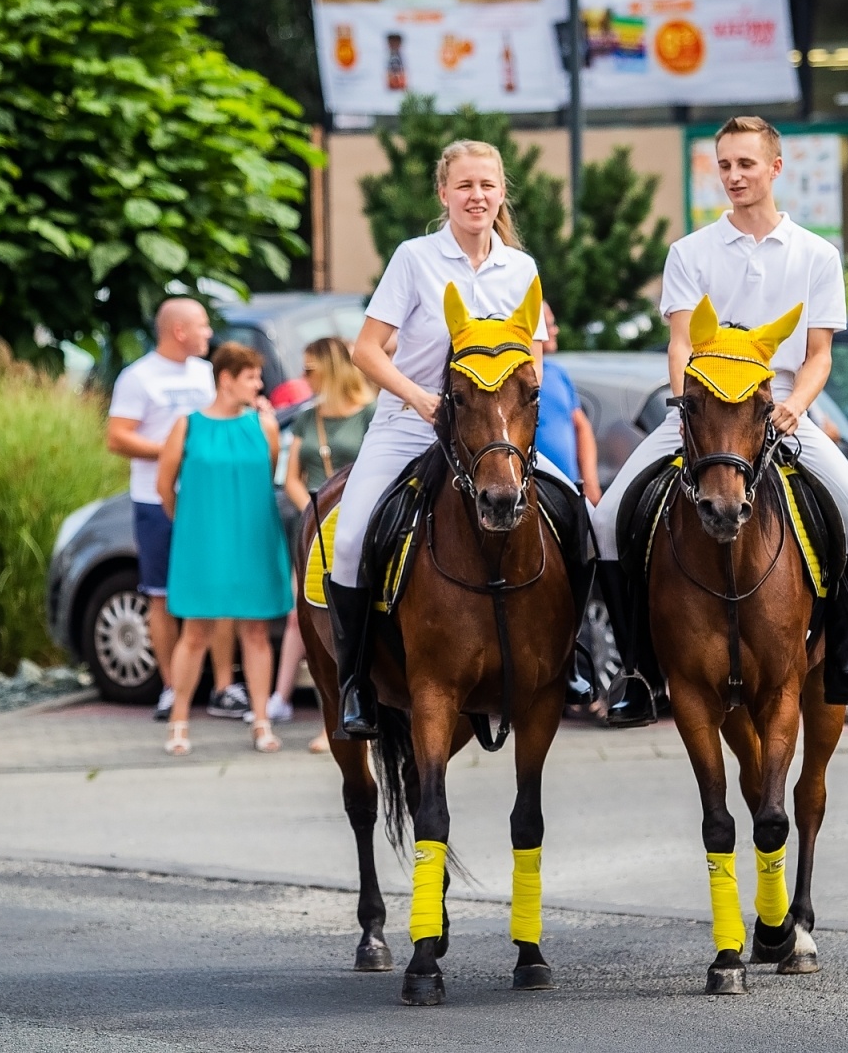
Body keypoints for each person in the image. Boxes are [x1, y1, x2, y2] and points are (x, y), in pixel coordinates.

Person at [593, 115, 848, 726]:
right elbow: (681, 342)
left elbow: (819, 356)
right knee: (607, 519)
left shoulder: (817, 254)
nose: (734, 176)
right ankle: (636, 671)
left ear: (774, 169)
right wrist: (693, 406)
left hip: (780, 407)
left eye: (746, 164)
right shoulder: (690, 252)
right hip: (703, 410)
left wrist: (794, 407)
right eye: (725, 166)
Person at [326, 138, 575, 740]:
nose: (477, 196)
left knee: (582, 519)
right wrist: (418, 398)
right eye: (464, 185)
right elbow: (364, 350)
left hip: (496, 441)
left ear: (501, 193)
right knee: (353, 535)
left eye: (487, 185)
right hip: (411, 427)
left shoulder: (522, 269)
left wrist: (513, 429)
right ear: (444, 193)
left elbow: (533, 367)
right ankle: (356, 683)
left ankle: (576, 661)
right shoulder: (415, 259)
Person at [107, 299, 240, 722]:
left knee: (218, 592)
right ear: (179, 331)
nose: (209, 334)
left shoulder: (207, 374)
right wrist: (174, 452)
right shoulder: (139, 377)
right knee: (161, 595)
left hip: (209, 500)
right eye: (202, 326)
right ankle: (170, 687)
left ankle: (223, 687)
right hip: (154, 500)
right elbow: (118, 438)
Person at [156, 344, 291, 756]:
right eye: (251, 376)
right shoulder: (188, 425)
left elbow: (268, 476)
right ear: (226, 378)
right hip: (202, 538)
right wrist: (189, 523)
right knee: (196, 631)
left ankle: (261, 721)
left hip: (253, 535)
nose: (259, 383)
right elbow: (164, 485)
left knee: (255, 630)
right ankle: (178, 721)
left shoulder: (264, 426)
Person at [281, 336, 376, 753]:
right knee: (309, 619)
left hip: (363, 519)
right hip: (319, 524)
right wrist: (316, 515)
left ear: (332, 368)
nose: (303, 377)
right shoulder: (308, 417)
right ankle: (308, 706)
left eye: (309, 369)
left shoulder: (371, 414)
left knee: (357, 618)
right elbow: (291, 478)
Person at [535, 301, 602, 504]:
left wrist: (590, 481)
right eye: (548, 325)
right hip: (536, 494)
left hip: (571, 491)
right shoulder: (514, 380)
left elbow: (581, 425)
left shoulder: (557, 372)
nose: (556, 330)